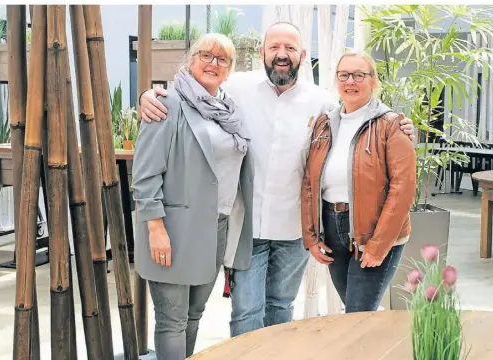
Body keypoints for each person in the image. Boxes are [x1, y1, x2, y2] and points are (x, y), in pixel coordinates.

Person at [138, 22, 415, 337]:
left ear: (302, 55)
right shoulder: (237, 88)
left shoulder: (322, 102)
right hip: (248, 227)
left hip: (294, 228)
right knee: (246, 310)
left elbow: (363, 123)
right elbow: (194, 90)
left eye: (290, 48)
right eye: (274, 48)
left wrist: (403, 127)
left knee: (281, 305)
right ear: (262, 53)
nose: (282, 55)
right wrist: (150, 96)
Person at [131, 33, 254, 360]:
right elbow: (144, 173)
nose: (213, 63)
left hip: (218, 226)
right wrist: (155, 228)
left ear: (230, 69)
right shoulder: (167, 104)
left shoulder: (229, 110)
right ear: (190, 59)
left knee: (194, 315)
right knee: (172, 320)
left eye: (222, 59)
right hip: (175, 229)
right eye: (206, 55)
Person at [301, 50, 416, 313]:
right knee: (355, 312)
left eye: (358, 75)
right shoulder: (324, 123)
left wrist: (378, 245)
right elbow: (310, 182)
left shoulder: (391, 125)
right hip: (332, 229)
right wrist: (311, 236)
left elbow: (403, 188)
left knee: (358, 313)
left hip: (373, 230)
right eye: (344, 75)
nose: (350, 81)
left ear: (373, 81)